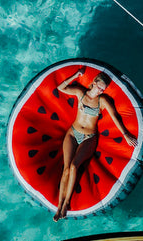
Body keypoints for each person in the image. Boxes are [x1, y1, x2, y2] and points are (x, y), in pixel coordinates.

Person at [53, 66, 137, 221]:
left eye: (103, 89)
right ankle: (59, 206)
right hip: (73, 132)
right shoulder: (80, 93)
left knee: (73, 167)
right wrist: (75, 75)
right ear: (93, 83)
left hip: (89, 137)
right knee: (66, 169)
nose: (100, 91)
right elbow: (60, 88)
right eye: (99, 87)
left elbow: (115, 116)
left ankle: (66, 203)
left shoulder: (103, 100)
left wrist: (125, 134)